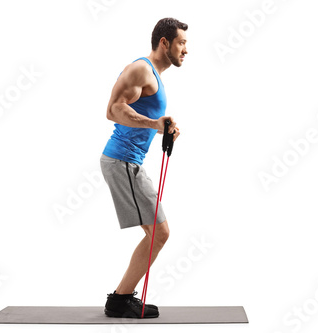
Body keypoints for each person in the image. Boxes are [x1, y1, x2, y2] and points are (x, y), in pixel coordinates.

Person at [100, 17, 188, 318]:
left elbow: (141, 115)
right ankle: (120, 300)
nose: (185, 50)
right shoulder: (141, 69)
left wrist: (164, 128)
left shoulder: (155, 77)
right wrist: (154, 124)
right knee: (160, 233)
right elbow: (112, 110)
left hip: (129, 162)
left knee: (158, 233)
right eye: (181, 42)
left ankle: (121, 298)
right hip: (121, 161)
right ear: (164, 42)